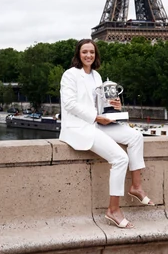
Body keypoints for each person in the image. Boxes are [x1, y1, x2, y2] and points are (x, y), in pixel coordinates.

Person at [59, 39, 153, 229]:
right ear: (78, 54)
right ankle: (113, 210)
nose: (88, 55)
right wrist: (96, 117)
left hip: (96, 123)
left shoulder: (96, 76)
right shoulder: (70, 75)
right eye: (84, 52)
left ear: (96, 55)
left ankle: (136, 187)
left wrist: (115, 105)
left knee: (136, 137)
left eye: (92, 52)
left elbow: (101, 104)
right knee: (120, 158)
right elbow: (69, 104)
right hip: (79, 127)